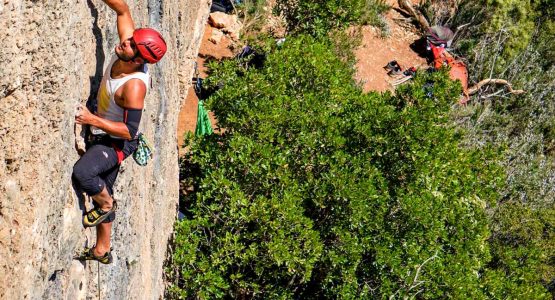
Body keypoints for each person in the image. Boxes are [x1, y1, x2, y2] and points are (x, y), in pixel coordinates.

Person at [73, 0, 166, 264]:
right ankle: (102, 250)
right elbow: (122, 8)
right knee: (104, 186)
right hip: (106, 133)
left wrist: (92, 119)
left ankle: (105, 206)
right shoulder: (128, 48)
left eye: (131, 45)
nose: (124, 42)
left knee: (85, 174)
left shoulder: (134, 87)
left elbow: (129, 131)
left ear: (139, 60)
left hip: (116, 142)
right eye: (130, 40)